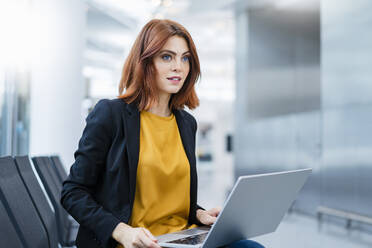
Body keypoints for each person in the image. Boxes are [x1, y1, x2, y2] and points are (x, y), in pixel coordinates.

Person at [61, 19, 264, 248]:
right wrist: (121, 231)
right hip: (136, 242)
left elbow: (169, 199)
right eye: (167, 57)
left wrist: (198, 214)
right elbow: (73, 192)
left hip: (181, 240)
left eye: (185, 58)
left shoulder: (186, 123)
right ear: (146, 62)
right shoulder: (111, 114)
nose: (178, 66)